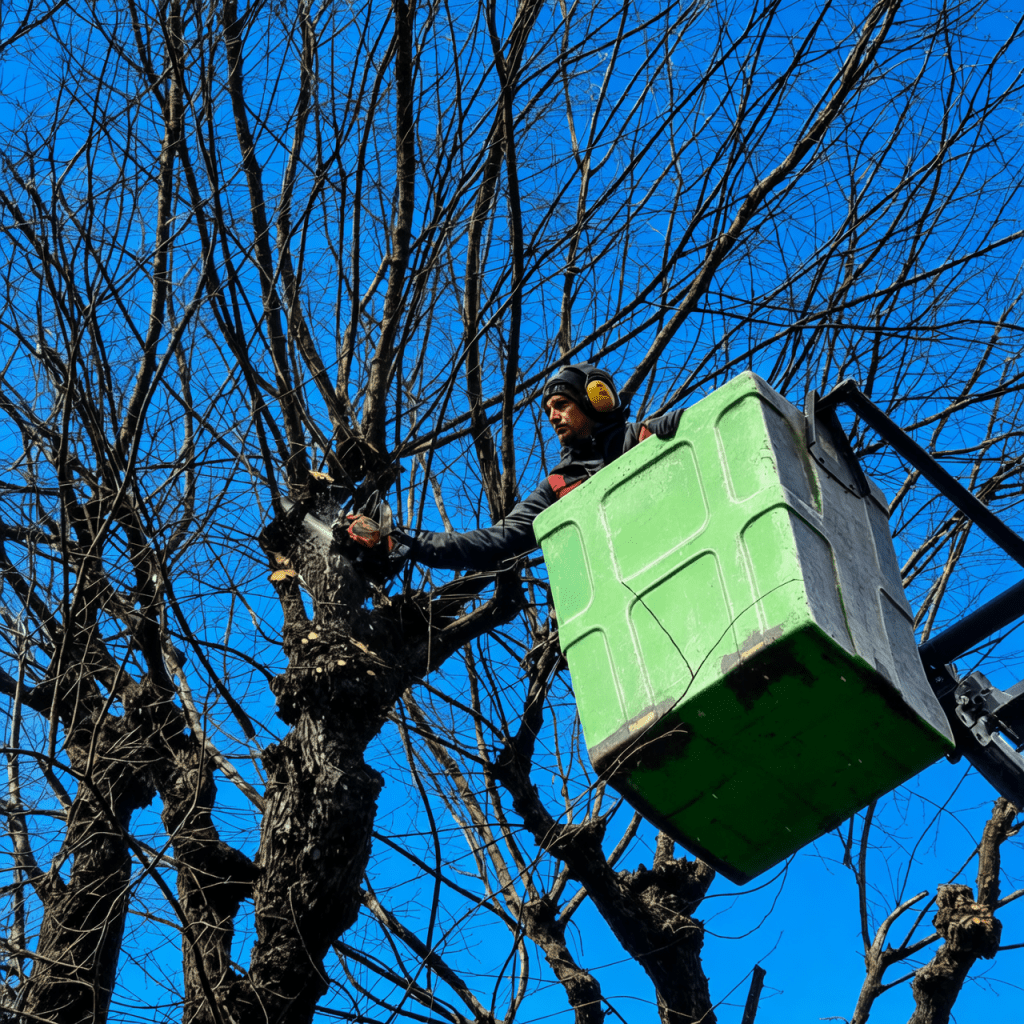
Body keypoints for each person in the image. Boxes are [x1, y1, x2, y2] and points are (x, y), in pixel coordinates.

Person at [346, 363, 683, 572]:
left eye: (562, 405)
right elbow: (493, 540)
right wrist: (406, 540)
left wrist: (683, 426)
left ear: (595, 400)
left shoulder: (642, 437)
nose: (552, 416)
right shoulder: (558, 487)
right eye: (548, 409)